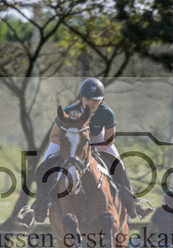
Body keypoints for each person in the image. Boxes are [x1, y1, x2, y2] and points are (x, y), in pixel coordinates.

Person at [26, 78, 153, 224]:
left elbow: (109, 139)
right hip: (69, 139)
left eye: (96, 100)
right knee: (44, 166)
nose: (92, 103)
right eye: (88, 99)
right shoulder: (68, 111)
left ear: (102, 100)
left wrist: (90, 149)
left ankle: (134, 204)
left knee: (120, 166)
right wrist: (71, 148)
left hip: (98, 139)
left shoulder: (106, 113)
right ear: (81, 98)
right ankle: (36, 208)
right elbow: (54, 136)